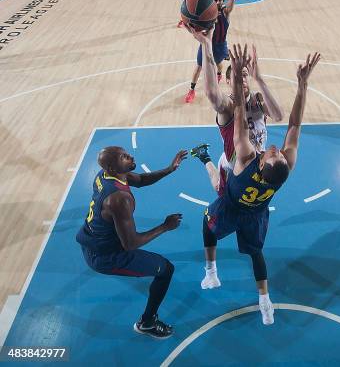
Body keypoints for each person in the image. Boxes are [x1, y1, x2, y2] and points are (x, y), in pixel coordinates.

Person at [200, 45, 320, 325]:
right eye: (236, 77)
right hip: (251, 192)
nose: (276, 148)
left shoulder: (249, 147)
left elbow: (272, 120)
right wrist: (300, 84)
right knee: (254, 249)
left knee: (211, 217)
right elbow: (293, 125)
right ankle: (264, 300)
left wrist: (254, 81)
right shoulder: (281, 168)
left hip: (238, 175)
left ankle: (211, 270)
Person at [76, 147, 187, 339]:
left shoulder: (107, 175)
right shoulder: (119, 200)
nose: (130, 157)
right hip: (106, 256)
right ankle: (147, 323)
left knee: (152, 265)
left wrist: (170, 169)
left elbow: (141, 180)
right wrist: (165, 226)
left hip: (91, 239)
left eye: (126, 153)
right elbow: (131, 244)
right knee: (166, 269)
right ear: (112, 166)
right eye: (124, 157)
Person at [186, 28, 283, 195]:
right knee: (219, 188)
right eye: (238, 75)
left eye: (245, 75)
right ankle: (205, 157)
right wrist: (206, 44)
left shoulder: (257, 99)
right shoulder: (228, 106)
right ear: (228, 80)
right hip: (233, 168)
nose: (243, 78)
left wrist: (259, 79)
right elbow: (211, 93)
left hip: (259, 162)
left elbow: (278, 116)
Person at [184, 0, 236, 103]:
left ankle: (219, 74)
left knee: (218, 64)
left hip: (220, 45)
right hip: (207, 44)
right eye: (215, 0)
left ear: (222, 1)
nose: (218, 2)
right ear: (212, 1)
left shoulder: (225, 13)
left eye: (219, 0)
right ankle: (191, 90)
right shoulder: (206, 13)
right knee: (199, 66)